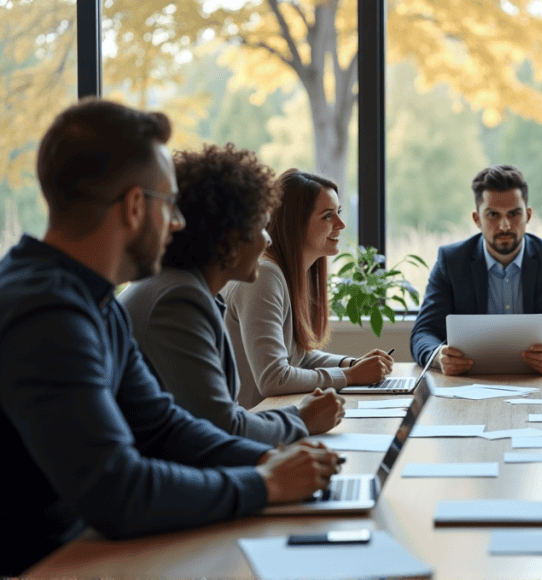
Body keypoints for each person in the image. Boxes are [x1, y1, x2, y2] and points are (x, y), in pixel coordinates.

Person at [0, 99, 339, 577]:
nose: (178, 223)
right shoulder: (45, 312)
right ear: (136, 205)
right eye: (170, 204)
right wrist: (265, 483)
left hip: (92, 550)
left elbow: (164, 426)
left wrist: (269, 456)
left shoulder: (91, 298)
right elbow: (118, 489)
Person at [119, 144, 345, 444]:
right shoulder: (178, 300)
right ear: (226, 233)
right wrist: (301, 419)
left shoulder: (191, 291)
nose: (267, 241)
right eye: (261, 227)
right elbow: (223, 428)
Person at [223, 168, 393, 409]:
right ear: (295, 223)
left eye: (339, 213)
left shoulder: (290, 273)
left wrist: (351, 364)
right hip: (251, 423)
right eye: (327, 216)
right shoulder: (264, 276)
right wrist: (352, 376)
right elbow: (274, 379)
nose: (341, 224)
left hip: (274, 414)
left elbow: (299, 358)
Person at [409, 164, 542, 375]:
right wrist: (438, 356)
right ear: (477, 219)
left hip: (537, 382)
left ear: (528, 216)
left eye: (514, 214)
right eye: (493, 215)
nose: (505, 226)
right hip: (466, 383)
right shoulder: (451, 261)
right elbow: (423, 333)